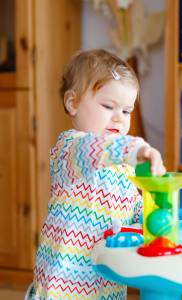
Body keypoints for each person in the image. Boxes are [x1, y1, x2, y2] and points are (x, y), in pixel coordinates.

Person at [27, 49, 166, 299]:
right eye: (108, 106)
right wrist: (139, 148)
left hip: (106, 280)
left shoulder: (124, 168)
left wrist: (153, 211)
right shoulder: (70, 147)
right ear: (73, 103)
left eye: (126, 111)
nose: (119, 118)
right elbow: (98, 149)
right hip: (63, 283)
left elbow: (133, 210)